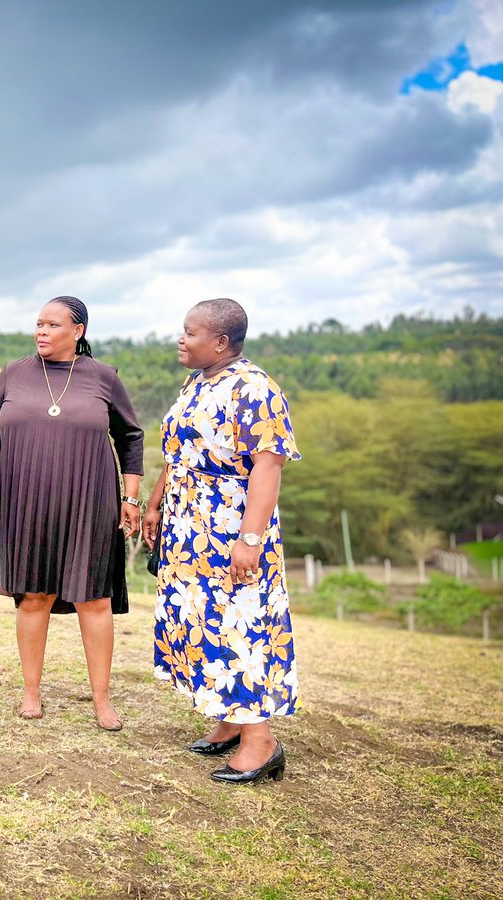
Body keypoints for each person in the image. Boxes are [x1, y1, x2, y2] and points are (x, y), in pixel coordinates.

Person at [142, 298, 300, 784]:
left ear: (221, 342)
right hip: (189, 529)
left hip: (232, 528)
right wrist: (155, 503)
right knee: (202, 622)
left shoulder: (256, 389)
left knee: (241, 626)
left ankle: (261, 741)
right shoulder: (199, 381)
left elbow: (267, 471)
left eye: (190, 332)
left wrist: (249, 539)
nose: (181, 339)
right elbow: (178, 452)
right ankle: (232, 720)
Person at [0, 298, 144, 730]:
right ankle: (31, 693)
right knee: (33, 596)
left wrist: (132, 496)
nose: (42, 331)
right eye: (38, 324)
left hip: (89, 499)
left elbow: (130, 436)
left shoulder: (103, 377)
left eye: (52, 324)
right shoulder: (14, 372)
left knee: (94, 597)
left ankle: (102, 701)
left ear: (78, 331)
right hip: (24, 501)